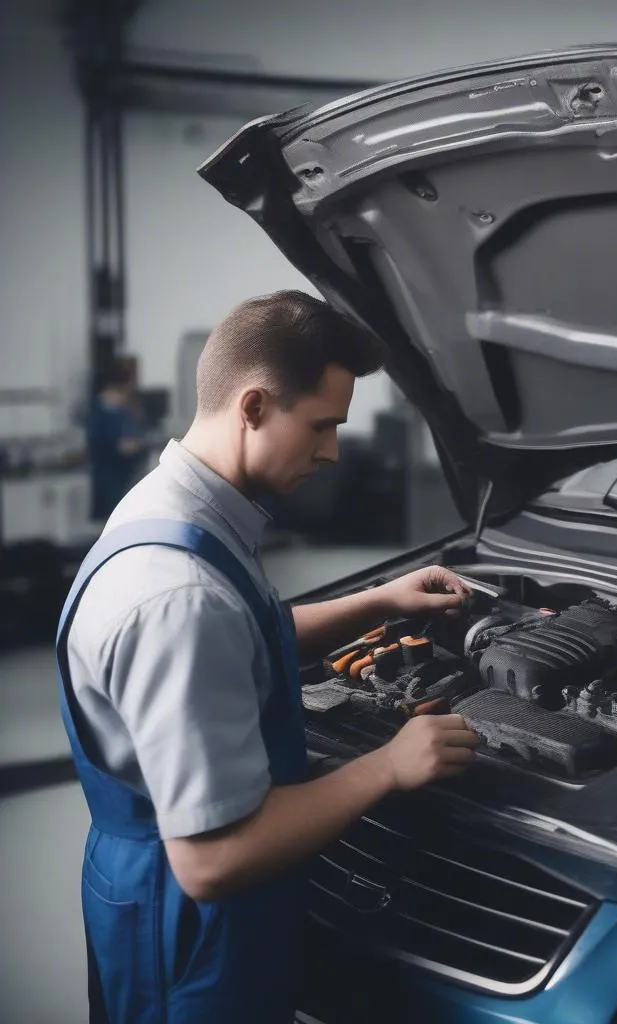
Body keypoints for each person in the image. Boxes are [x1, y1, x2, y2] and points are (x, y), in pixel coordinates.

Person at [57, 290, 478, 1023]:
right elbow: (213, 860)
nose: (332, 451)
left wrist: (380, 600)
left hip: (147, 888)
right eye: (321, 425)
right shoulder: (179, 598)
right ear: (252, 406)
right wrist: (387, 765)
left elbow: (248, 631)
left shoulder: (172, 509)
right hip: (188, 929)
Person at [86, 356, 151, 521]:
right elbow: (124, 446)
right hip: (110, 482)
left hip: (122, 480)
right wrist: (143, 443)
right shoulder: (102, 415)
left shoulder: (121, 412)